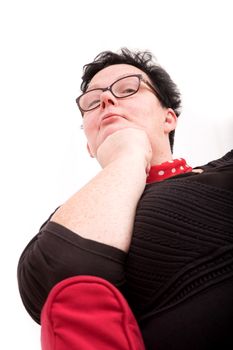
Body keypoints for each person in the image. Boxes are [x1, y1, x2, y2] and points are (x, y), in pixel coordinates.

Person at [17, 48, 233, 350]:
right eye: (92, 103)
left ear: (169, 118)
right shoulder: (67, 218)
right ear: (90, 146)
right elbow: (63, 286)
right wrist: (128, 155)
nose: (106, 100)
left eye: (128, 88)